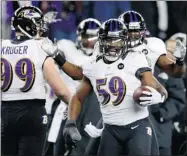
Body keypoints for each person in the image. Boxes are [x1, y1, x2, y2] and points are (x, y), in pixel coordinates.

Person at [63, 19, 168, 156]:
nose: (113, 46)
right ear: (101, 41)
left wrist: (159, 96)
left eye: (117, 41)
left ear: (125, 41)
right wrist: (70, 123)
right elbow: (77, 96)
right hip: (110, 129)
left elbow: (159, 88)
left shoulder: (136, 59)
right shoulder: (93, 65)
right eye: (108, 41)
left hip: (137, 126)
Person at [1, 6, 71, 156]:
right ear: (28, 26)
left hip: (6, 112)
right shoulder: (41, 47)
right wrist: (74, 104)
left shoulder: (2, 46)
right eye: (37, 24)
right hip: (32, 112)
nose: (40, 28)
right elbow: (60, 91)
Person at [42, 18, 101, 156]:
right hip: (64, 104)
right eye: (87, 38)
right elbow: (51, 58)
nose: (90, 42)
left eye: (94, 38)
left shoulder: (102, 57)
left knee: (84, 146)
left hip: (89, 108)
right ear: (79, 36)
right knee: (55, 144)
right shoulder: (67, 47)